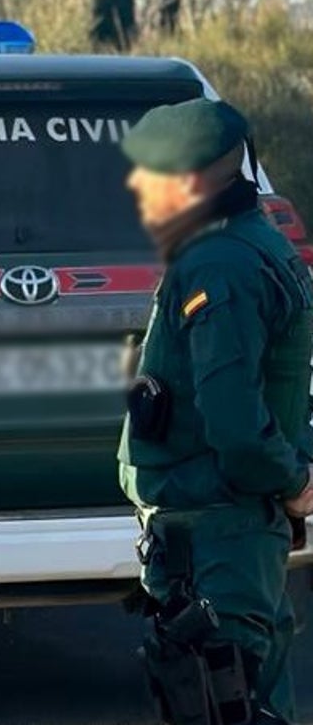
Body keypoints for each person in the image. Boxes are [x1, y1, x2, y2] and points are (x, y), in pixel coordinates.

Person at [119, 97, 313, 725]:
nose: (139, 184)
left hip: (218, 533)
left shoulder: (219, 262)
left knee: (224, 700)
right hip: (219, 530)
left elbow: (233, 416)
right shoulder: (241, 242)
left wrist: (291, 481)